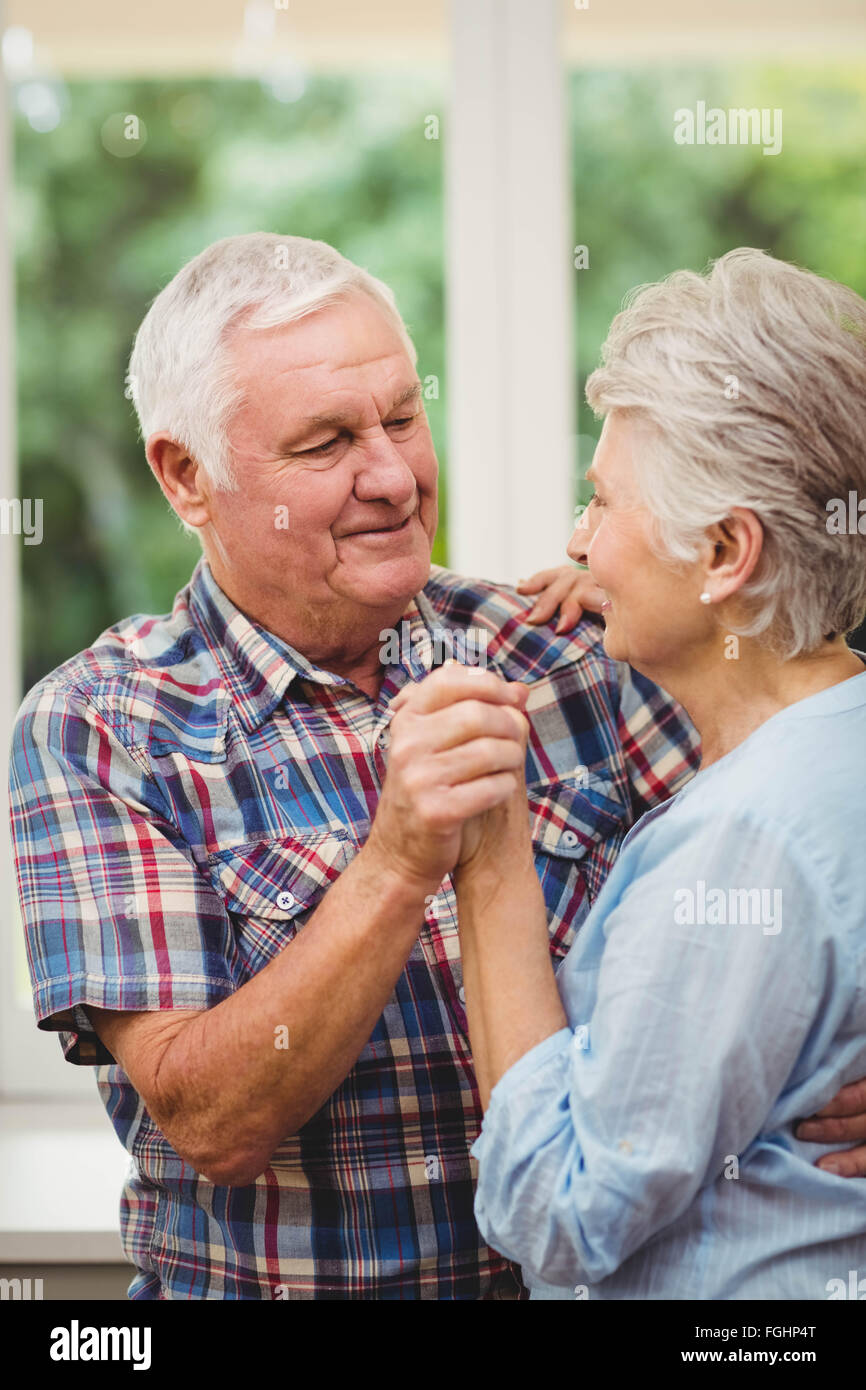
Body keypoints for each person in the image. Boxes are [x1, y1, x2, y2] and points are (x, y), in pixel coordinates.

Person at [8, 236, 864, 1301]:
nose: (392, 476)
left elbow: (814, 819)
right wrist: (398, 861)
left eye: (403, 417)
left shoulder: (571, 646)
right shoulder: (104, 726)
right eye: (325, 443)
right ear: (188, 476)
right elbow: (208, 1125)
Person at [399, 247, 866, 1299]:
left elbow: (559, 1213)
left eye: (602, 504)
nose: (575, 541)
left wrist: (489, 858)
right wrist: (633, 596)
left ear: (725, 554)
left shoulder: (744, 841)